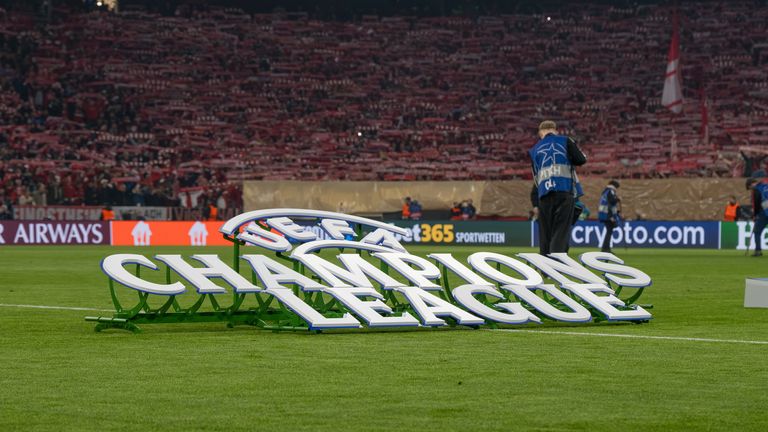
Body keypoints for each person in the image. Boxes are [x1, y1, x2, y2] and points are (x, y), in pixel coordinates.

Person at [529, 120, 587, 255]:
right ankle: (556, 264)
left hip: (544, 194)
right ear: (555, 130)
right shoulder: (566, 141)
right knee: (561, 230)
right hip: (564, 191)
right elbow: (581, 160)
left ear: (540, 133)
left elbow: (536, 177)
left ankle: (544, 268)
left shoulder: (534, 150)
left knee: (545, 233)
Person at [598, 180, 622, 253]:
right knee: (609, 232)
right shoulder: (610, 191)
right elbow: (611, 202)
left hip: (604, 215)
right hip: (608, 216)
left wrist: (616, 212)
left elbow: (608, 203)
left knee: (608, 232)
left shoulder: (605, 191)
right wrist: (618, 199)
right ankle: (605, 249)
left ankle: (606, 249)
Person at [746, 178, 768, 257]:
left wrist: (754, 215)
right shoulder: (765, 185)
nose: (751, 190)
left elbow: (756, 204)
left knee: (757, 232)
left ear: (752, 184)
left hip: (764, 213)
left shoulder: (756, 190)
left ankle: (758, 251)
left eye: (750, 188)